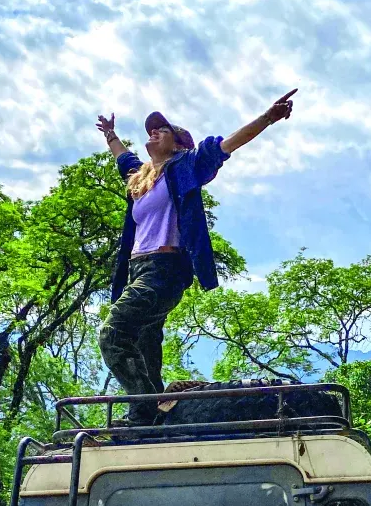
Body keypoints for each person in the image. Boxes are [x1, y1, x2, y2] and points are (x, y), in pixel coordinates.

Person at [96, 92, 297, 426]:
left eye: (163, 129)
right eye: (152, 129)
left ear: (177, 144)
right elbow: (123, 157)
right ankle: (148, 420)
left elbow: (226, 145)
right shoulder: (142, 178)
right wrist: (111, 135)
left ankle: (145, 409)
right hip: (137, 270)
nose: (154, 131)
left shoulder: (184, 167)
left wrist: (268, 117)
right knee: (146, 353)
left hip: (164, 271)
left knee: (113, 334)